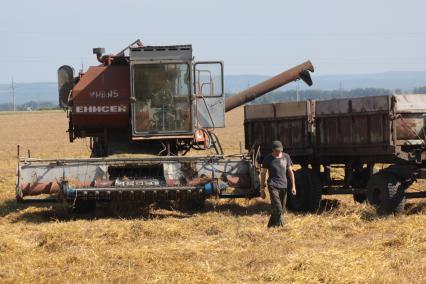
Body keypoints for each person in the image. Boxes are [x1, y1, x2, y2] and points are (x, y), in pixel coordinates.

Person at [260, 140, 296, 228]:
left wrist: (293, 186)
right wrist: (262, 189)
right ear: (272, 150)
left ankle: (270, 226)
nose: (278, 152)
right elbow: (263, 173)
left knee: (282, 210)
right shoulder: (267, 159)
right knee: (278, 208)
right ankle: (281, 227)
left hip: (284, 185)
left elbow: (290, 172)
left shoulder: (286, 157)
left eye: (280, 150)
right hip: (273, 185)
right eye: (276, 150)